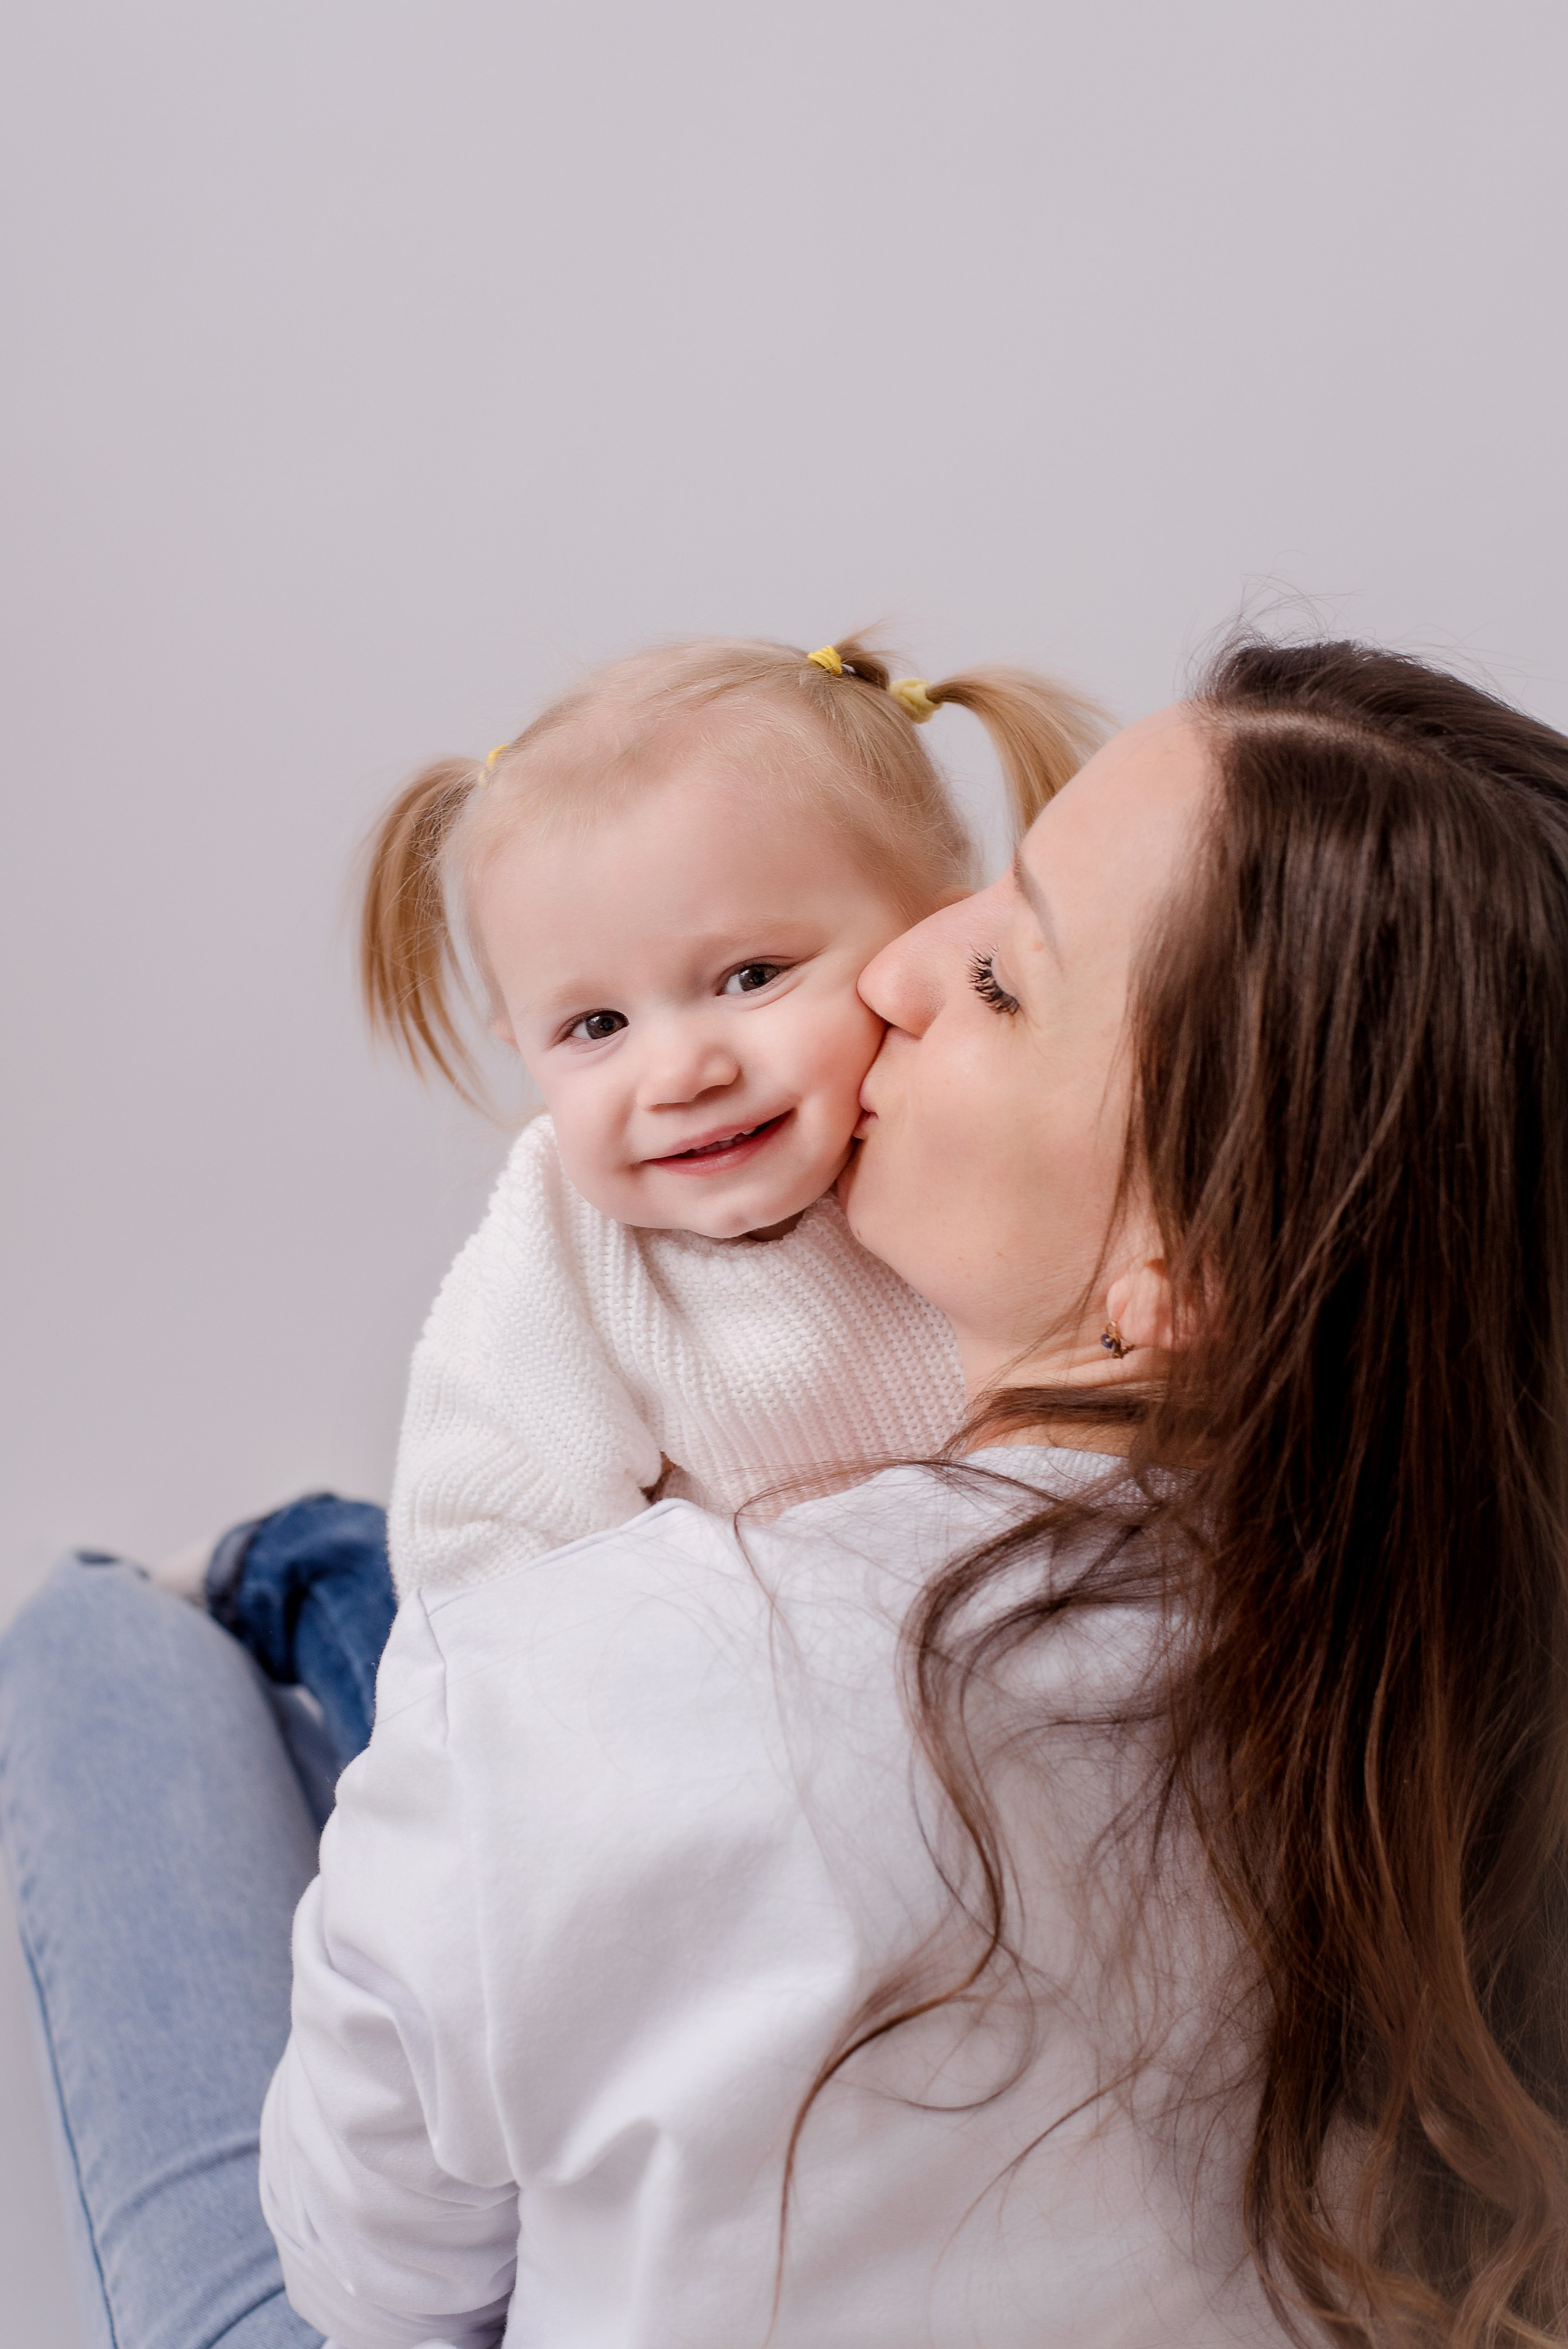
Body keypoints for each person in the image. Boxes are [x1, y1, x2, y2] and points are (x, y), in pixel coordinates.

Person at [5, 635, 1568, 2348]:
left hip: (486, 1930)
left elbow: (376, 2283)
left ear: (1181, 1260)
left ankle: (208, 1597)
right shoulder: (1454, 1645)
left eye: (999, 975)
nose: (903, 975)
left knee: (98, 1654)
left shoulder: (559, 1688)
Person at [156, 635, 1105, 1765]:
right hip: (640, 1724)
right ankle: (288, 1563)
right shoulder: (571, 1243)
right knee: (376, 1664)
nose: (680, 1071)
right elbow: (484, 1559)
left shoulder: (998, 1150)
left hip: (908, 1705)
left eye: (751, 976)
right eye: (596, 1027)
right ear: (527, 1050)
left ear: (932, 937)